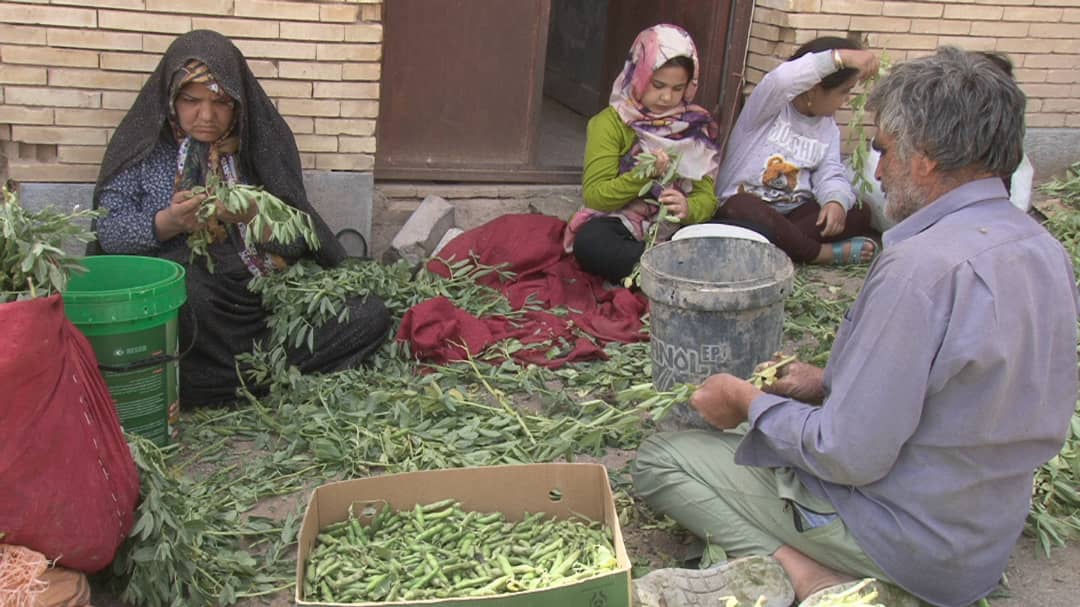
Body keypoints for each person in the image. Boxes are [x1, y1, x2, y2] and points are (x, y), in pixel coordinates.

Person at [632, 46, 1079, 607]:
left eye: (884, 151)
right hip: (981, 544)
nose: (879, 170)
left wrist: (746, 401)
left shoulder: (918, 269)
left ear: (925, 160)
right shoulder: (1045, 250)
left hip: (903, 541)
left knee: (662, 459)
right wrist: (828, 381)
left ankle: (810, 578)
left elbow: (847, 454)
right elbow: (977, 393)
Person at [92, 30, 391, 407]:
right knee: (182, 296)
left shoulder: (258, 150)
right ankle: (257, 378)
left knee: (368, 313)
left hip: (266, 301)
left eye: (221, 102)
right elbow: (109, 232)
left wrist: (252, 215)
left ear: (238, 104)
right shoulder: (145, 150)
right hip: (202, 312)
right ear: (171, 98)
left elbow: (299, 241)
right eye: (191, 101)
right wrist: (170, 222)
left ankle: (236, 380)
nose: (206, 116)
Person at [563, 23, 721, 284]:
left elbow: (707, 197)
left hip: (675, 229)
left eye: (678, 88)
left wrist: (688, 207)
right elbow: (596, 196)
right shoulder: (611, 123)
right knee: (591, 243)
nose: (666, 97)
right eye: (657, 85)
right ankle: (679, 273)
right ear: (638, 74)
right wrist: (644, 175)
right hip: (622, 223)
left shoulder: (695, 127)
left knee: (745, 226)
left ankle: (666, 272)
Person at [713, 37, 879, 265]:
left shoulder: (828, 128)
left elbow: (830, 173)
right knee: (740, 205)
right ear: (812, 90)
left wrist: (835, 201)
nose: (847, 100)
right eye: (844, 91)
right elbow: (782, 80)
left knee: (859, 211)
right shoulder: (767, 108)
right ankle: (820, 254)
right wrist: (841, 58)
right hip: (747, 216)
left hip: (793, 218)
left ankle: (779, 249)